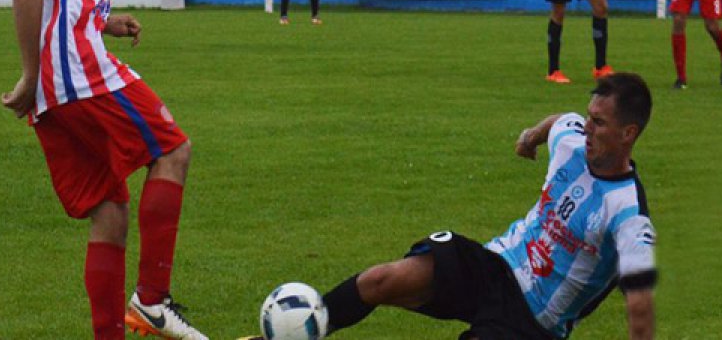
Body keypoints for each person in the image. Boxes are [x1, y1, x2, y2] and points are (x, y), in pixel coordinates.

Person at [0, 0, 207, 340]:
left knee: (110, 208)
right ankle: (153, 301)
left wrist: (104, 21)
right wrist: (31, 73)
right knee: (173, 150)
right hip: (74, 74)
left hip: (61, 80)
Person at [254, 72, 657, 340]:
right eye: (589, 117)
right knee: (381, 280)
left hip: (529, 322)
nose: (588, 129)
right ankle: (308, 325)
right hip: (493, 265)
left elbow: (639, 305)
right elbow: (559, 121)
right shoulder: (573, 139)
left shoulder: (627, 215)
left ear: (628, 133)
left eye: (600, 124)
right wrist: (528, 138)